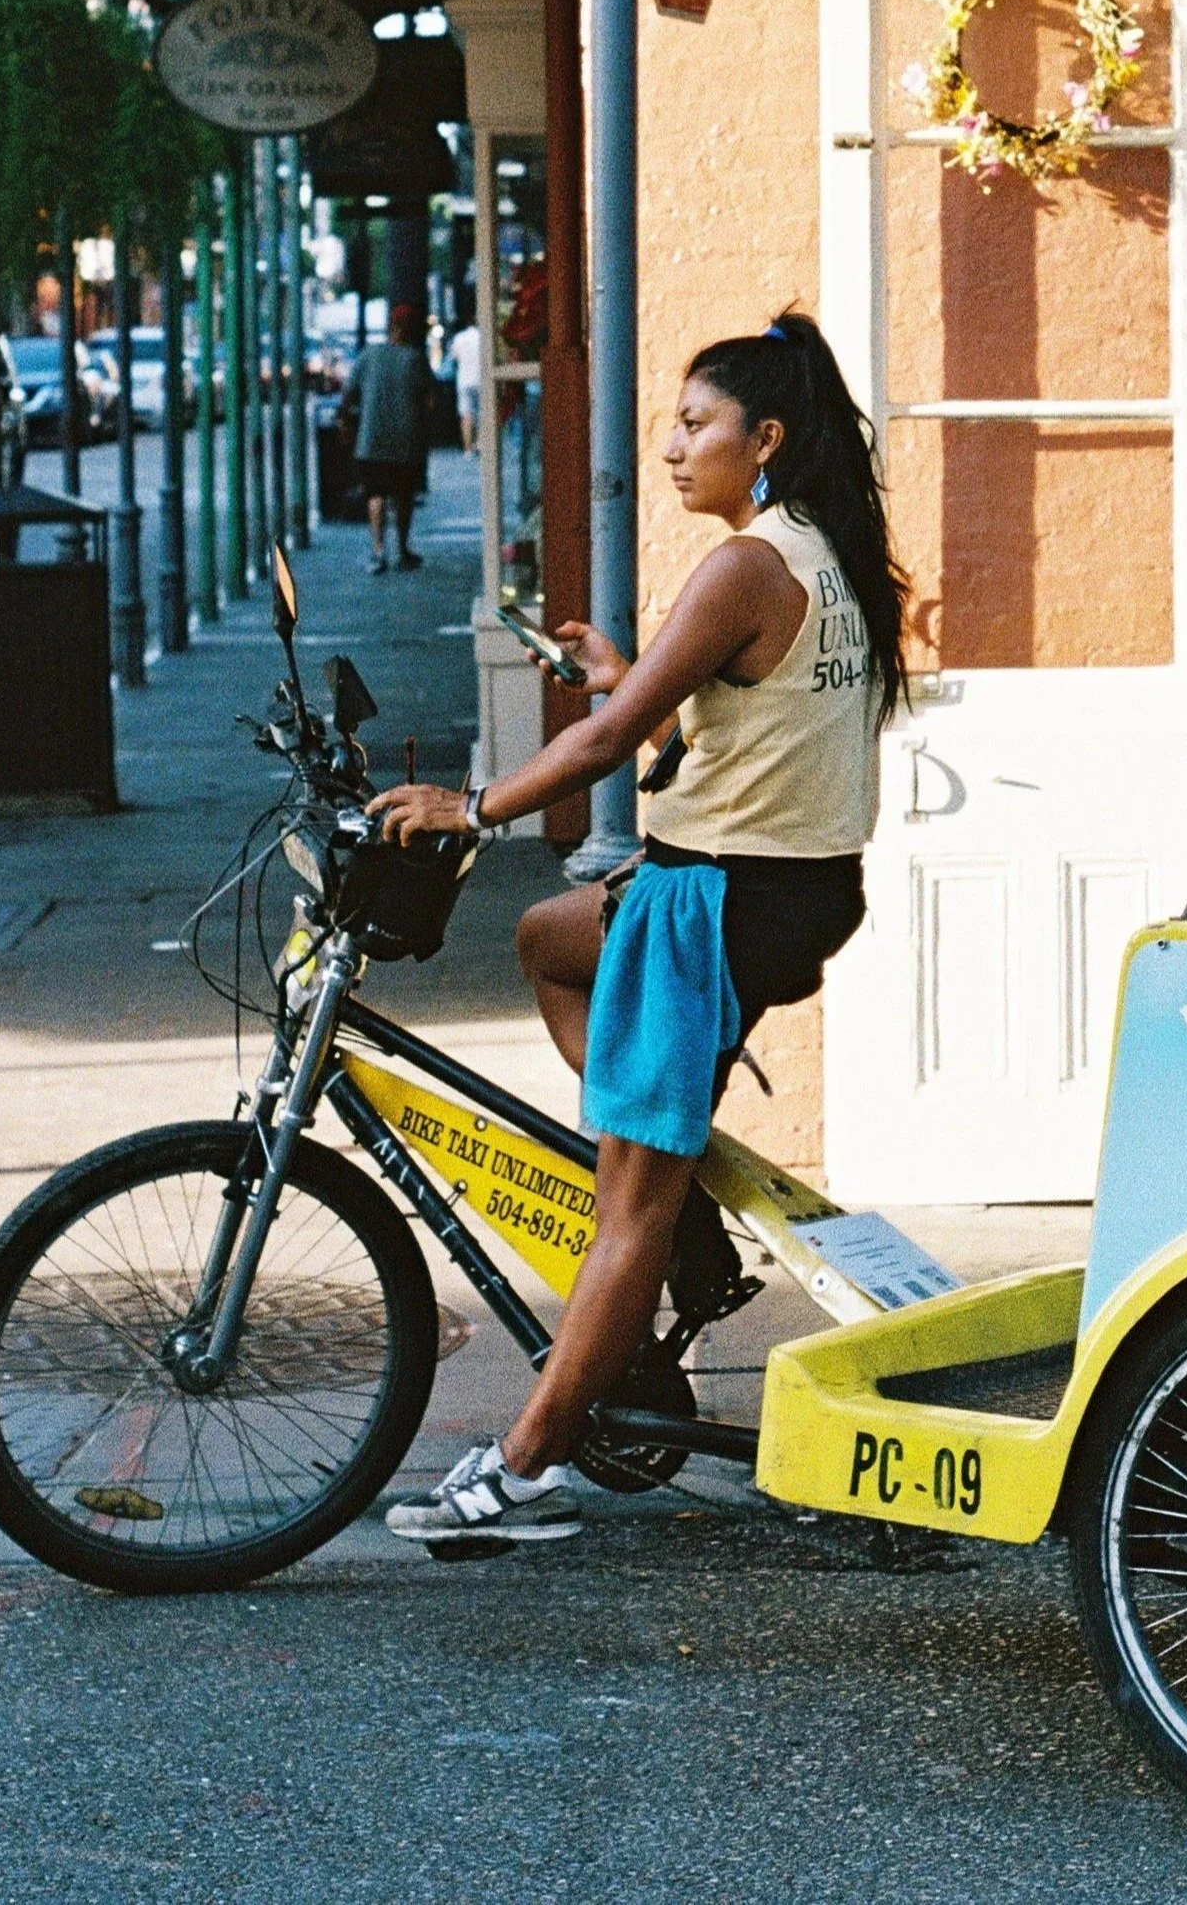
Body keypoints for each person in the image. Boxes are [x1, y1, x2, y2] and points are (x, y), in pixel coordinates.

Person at [371, 309, 907, 1548]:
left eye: (695, 425)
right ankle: (665, 1179)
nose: (670, 448)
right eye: (672, 424)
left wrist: (473, 810)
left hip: (716, 902)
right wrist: (627, 669)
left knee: (627, 1204)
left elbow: (610, 749)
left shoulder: (746, 563)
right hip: (780, 889)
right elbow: (736, 713)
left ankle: (526, 1465)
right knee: (552, 941)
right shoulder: (817, 551)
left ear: (764, 438)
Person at [347, 300, 432, 573]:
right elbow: (430, 401)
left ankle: (378, 551)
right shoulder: (415, 358)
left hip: (371, 440)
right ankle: (403, 551)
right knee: (403, 496)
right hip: (405, 441)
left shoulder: (369, 355)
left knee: (376, 494)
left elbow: (349, 392)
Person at [448, 310, 481, 454]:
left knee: (466, 415)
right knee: (482, 413)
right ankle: (480, 444)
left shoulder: (459, 338)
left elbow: (453, 357)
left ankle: (468, 448)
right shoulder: (483, 337)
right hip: (481, 378)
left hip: (464, 380)